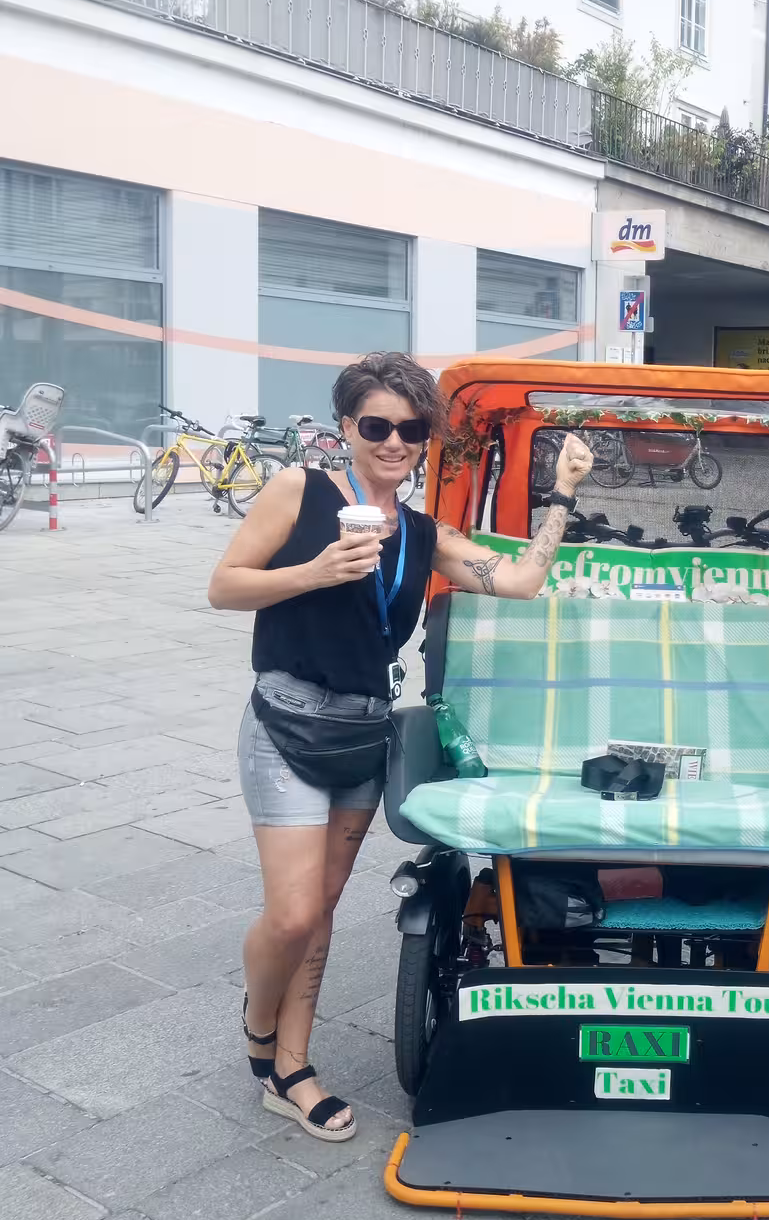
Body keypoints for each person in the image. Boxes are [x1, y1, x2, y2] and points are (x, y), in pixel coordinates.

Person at [209, 351, 592, 1142]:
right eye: (376, 426)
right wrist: (313, 571)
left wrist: (563, 494)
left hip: (362, 731)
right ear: (348, 427)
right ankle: (258, 1013)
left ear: (425, 439)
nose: (393, 443)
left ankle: (291, 1066)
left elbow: (519, 582)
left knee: (323, 914)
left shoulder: (423, 532)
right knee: (291, 914)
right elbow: (225, 585)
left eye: (410, 430)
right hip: (286, 719)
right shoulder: (300, 491)